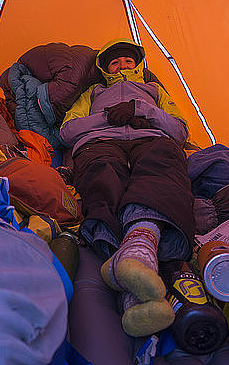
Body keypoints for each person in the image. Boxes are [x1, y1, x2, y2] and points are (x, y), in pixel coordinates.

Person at [60, 38, 196, 337]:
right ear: (105, 68)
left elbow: (181, 130)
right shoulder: (93, 92)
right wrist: (106, 116)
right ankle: (133, 274)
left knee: (161, 167)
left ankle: (137, 250)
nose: (122, 65)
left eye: (128, 61)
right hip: (100, 142)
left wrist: (145, 112)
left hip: (151, 138)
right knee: (102, 176)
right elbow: (67, 131)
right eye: (115, 62)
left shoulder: (155, 91)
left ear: (137, 65)